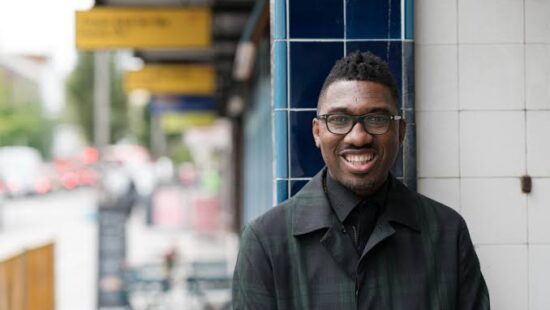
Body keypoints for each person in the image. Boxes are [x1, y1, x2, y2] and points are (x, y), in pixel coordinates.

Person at [232, 51, 490, 309]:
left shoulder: (446, 233)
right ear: (317, 132)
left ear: (400, 132)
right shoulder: (266, 242)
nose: (358, 137)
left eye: (377, 119)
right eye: (339, 120)